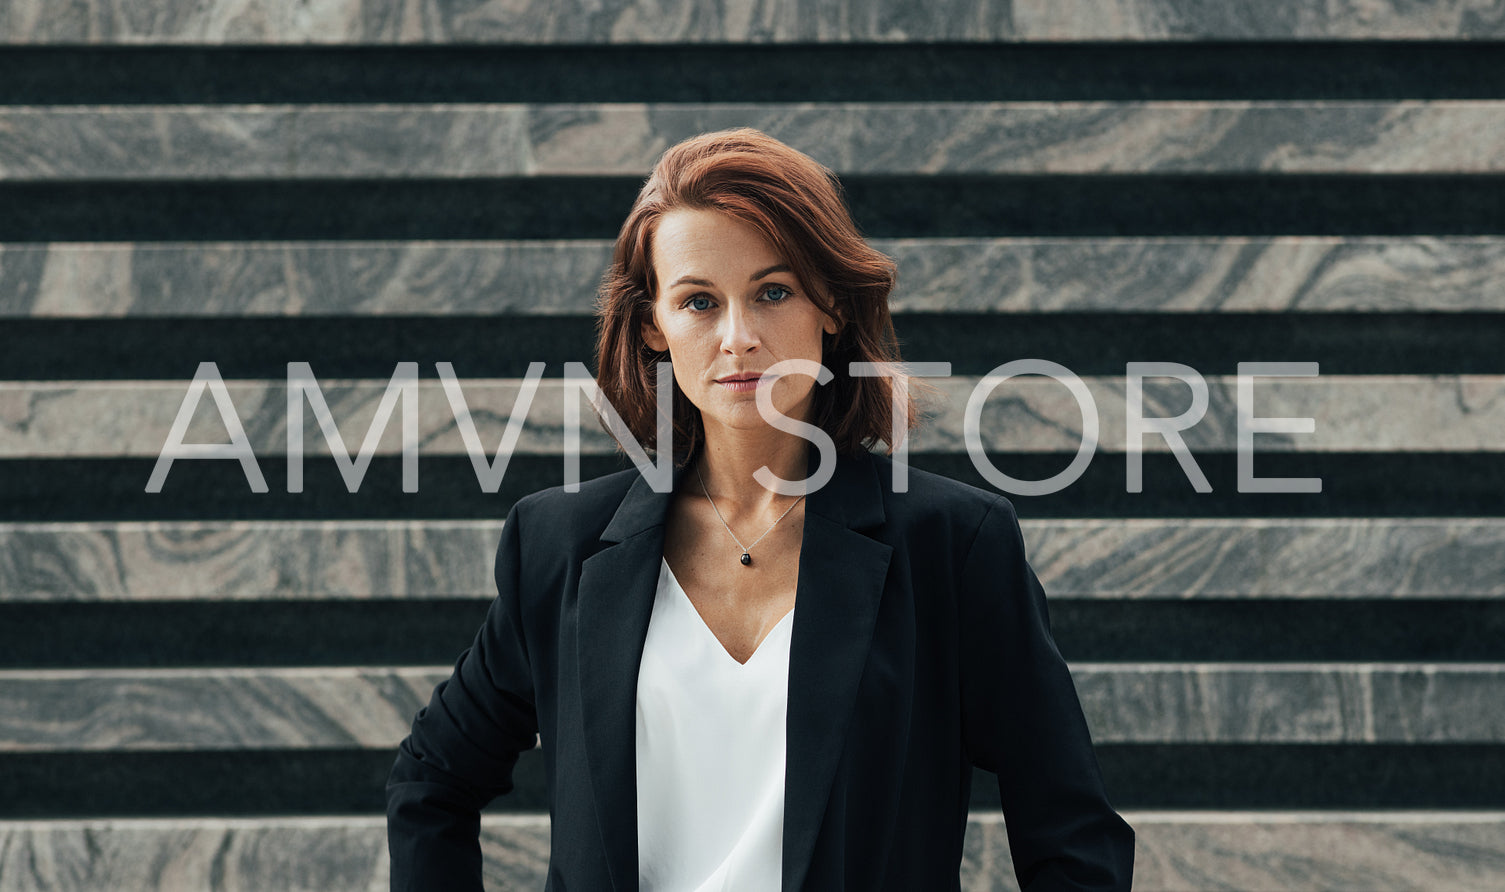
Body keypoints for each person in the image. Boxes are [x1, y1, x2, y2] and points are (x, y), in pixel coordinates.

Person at [386, 127, 1135, 891]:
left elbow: (1070, 831)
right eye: (698, 302)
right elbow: (432, 779)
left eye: (772, 292)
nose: (737, 338)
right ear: (654, 326)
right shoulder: (559, 545)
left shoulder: (950, 546)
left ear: (831, 305)